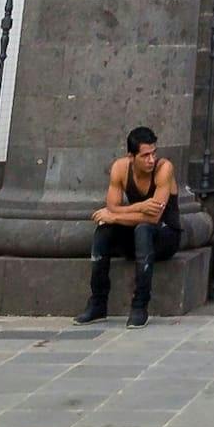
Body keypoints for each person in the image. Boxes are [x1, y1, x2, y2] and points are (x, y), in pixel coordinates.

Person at [82, 125, 179, 326]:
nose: (151, 160)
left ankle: (139, 306)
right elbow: (111, 205)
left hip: (165, 235)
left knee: (143, 228)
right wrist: (141, 206)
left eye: (153, 153)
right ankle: (97, 303)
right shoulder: (120, 168)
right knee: (104, 230)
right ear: (131, 156)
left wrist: (116, 216)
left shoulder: (164, 169)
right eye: (145, 156)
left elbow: (153, 218)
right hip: (136, 235)